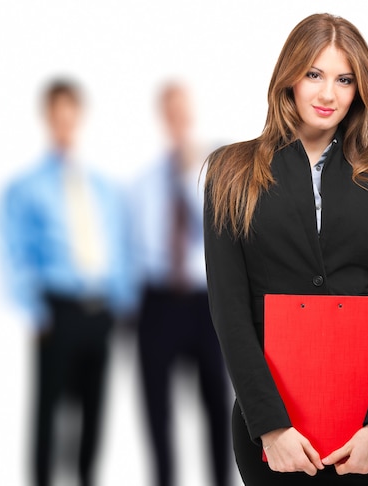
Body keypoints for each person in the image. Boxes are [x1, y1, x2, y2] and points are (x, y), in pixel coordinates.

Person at [203, 13, 368, 486]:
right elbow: (229, 310)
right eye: (314, 75)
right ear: (289, 78)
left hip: (367, 433)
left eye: (344, 80)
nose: (328, 94)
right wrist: (271, 427)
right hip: (274, 430)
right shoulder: (231, 173)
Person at [0, 79, 136, 486]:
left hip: (100, 310)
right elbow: (15, 253)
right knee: (49, 410)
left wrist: (122, 302)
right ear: (47, 118)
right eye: (57, 116)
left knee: (94, 411)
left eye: (70, 115)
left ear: (79, 118)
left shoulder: (101, 186)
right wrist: (34, 310)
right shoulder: (26, 187)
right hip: (57, 309)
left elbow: (117, 245)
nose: (64, 123)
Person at [131, 82, 231, 486]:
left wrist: (191, 170)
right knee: (157, 410)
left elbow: (218, 226)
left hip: (206, 301)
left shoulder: (218, 166)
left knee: (217, 405)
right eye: (168, 110)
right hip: (157, 302)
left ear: (192, 113)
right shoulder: (145, 181)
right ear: (161, 116)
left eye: (182, 110)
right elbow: (136, 247)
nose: (176, 118)